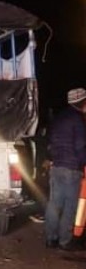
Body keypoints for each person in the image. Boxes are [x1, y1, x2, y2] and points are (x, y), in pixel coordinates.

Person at [44, 87, 86, 250]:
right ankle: (65, 240)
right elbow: (81, 146)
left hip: (57, 167)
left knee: (54, 204)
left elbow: (50, 142)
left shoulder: (59, 118)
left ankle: (50, 238)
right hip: (71, 169)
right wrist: (82, 163)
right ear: (82, 102)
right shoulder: (78, 120)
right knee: (70, 206)